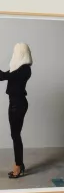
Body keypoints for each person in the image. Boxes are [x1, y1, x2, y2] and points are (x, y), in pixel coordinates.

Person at [0, 43, 32, 178]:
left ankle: (18, 166)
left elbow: (6, 76)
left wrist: (4, 74)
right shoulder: (18, 69)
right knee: (15, 135)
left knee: (15, 135)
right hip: (14, 104)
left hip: (18, 105)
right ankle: (20, 164)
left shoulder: (24, 70)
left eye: (15, 52)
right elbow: (2, 76)